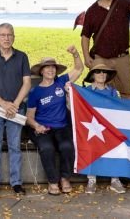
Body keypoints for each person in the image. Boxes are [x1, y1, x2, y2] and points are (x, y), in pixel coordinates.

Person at [0, 23, 31, 195]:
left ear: (14, 37)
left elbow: (27, 83)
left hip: (16, 109)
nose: (6, 38)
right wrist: (3, 103)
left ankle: (16, 182)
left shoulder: (22, 57)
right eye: (2, 35)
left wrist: (15, 104)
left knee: (14, 147)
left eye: (9, 35)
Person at [26, 47, 83, 195]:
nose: (50, 70)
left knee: (67, 146)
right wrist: (37, 126)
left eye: (53, 68)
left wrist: (76, 54)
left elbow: (78, 69)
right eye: (47, 68)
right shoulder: (35, 91)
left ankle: (65, 178)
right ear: (42, 72)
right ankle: (52, 181)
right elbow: (29, 117)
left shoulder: (61, 81)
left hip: (62, 126)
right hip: (42, 128)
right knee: (47, 148)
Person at [80, 59, 126, 194]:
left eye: (104, 72)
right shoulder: (85, 91)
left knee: (118, 143)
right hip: (92, 127)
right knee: (90, 141)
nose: (102, 74)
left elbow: (118, 110)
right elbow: (77, 109)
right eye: (98, 71)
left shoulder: (112, 92)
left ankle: (115, 179)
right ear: (93, 74)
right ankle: (92, 179)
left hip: (109, 127)